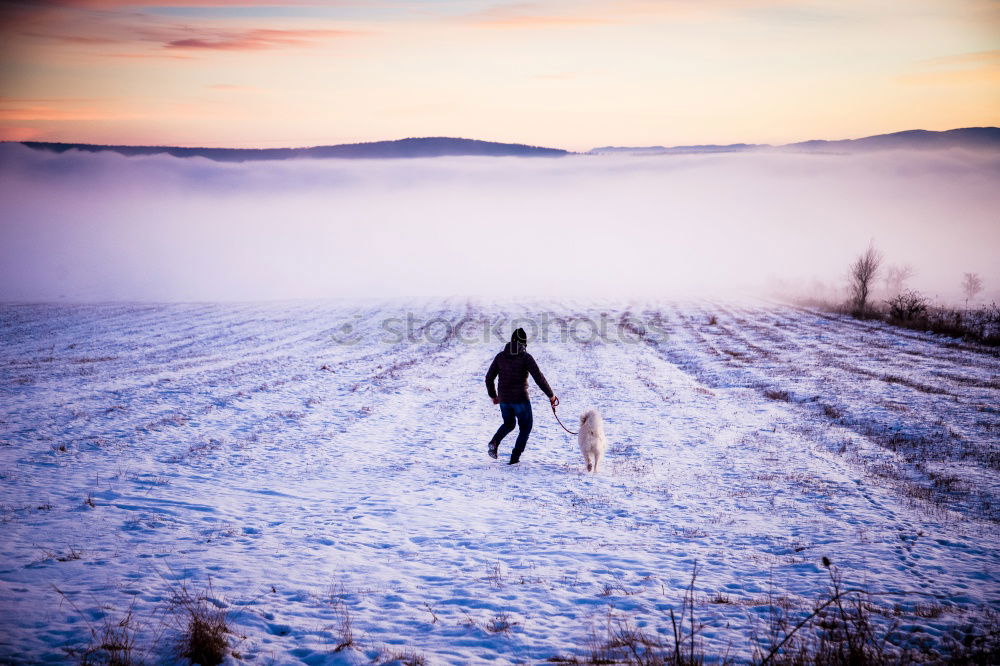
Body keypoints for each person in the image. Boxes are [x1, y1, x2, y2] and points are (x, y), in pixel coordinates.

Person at [485, 328, 558, 465]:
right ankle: (514, 458)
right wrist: (551, 396)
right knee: (525, 427)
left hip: (504, 399)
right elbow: (539, 378)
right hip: (520, 399)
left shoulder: (500, 356)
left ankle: (494, 442)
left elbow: (489, 378)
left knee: (509, 423)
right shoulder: (525, 357)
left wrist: (494, 396)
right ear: (524, 343)